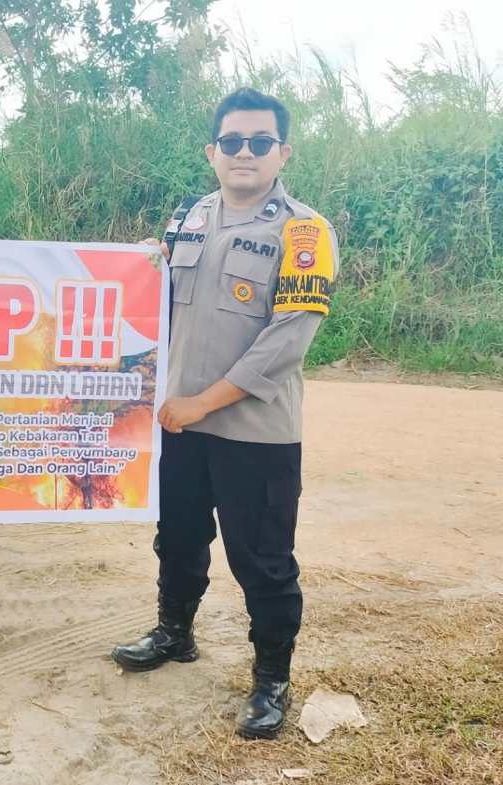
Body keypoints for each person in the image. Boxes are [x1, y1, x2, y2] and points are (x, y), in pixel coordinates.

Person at [111, 88, 339, 740]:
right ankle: (174, 632)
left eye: (259, 142)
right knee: (179, 538)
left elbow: (286, 342)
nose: (245, 153)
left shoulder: (304, 232)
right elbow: (153, 306)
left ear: (283, 152)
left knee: (262, 559)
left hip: (255, 434)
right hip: (179, 426)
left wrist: (200, 402)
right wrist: (136, 267)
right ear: (211, 151)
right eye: (232, 141)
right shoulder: (186, 219)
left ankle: (271, 679)